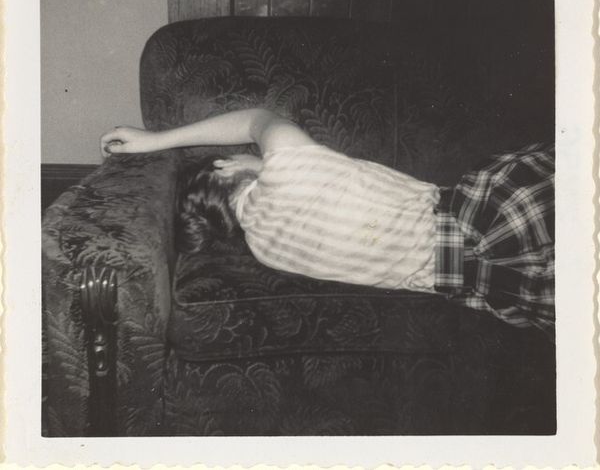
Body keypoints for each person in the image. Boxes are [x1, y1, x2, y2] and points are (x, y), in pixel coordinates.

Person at [100, 107, 555, 336]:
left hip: (483, 284)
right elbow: (256, 119)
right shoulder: (286, 167)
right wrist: (154, 140)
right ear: (224, 169)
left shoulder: (265, 250)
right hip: (490, 215)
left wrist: (258, 170)